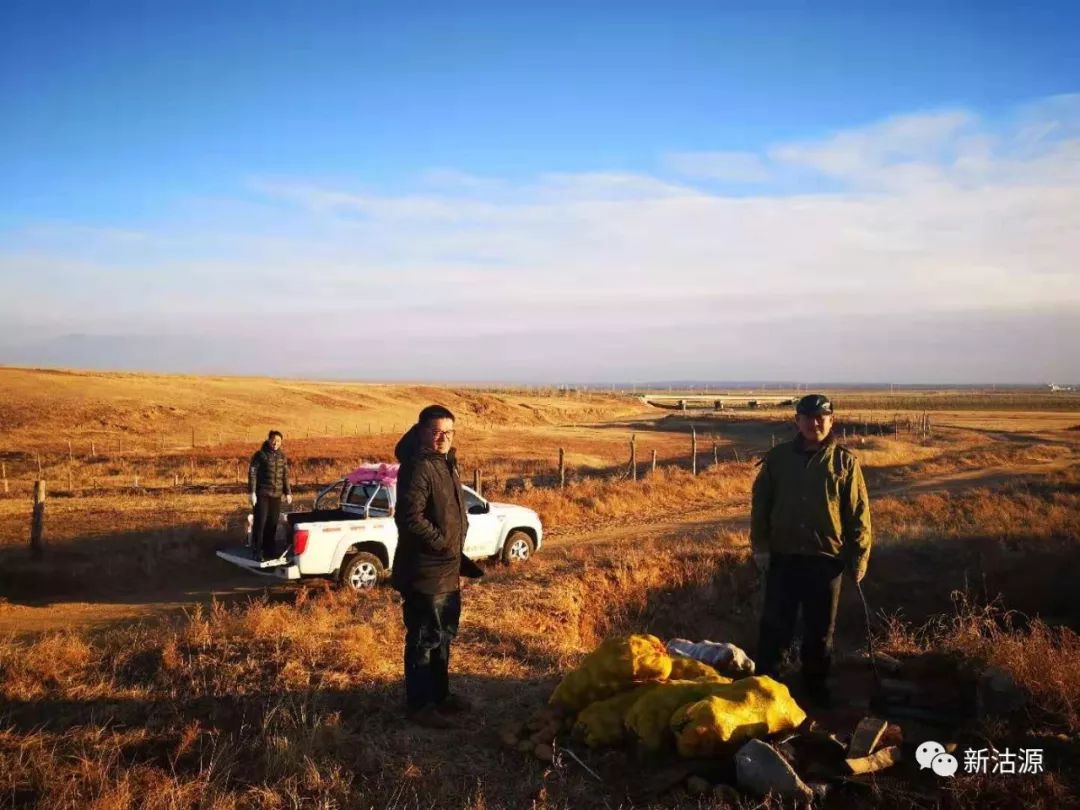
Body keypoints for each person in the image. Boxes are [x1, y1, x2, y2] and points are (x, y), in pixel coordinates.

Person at [750, 394, 872, 706]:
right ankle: (765, 689)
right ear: (797, 421)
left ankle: (814, 690)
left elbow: (858, 513)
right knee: (776, 626)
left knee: (819, 632)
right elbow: (760, 507)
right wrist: (761, 548)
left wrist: (859, 557)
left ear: (832, 421)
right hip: (784, 557)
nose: (814, 423)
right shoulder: (777, 459)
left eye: (821, 417)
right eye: (807, 417)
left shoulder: (845, 462)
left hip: (826, 561)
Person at [392, 405, 484, 729]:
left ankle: (440, 697)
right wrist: (444, 544)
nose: (443, 438)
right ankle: (420, 705)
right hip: (425, 571)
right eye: (436, 431)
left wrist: (456, 546)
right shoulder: (418, 467)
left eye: (449, 432)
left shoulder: (445, 464)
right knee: (423, 638)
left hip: (447, 570)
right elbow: (408, 519)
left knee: (443, 636)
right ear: (421, 432)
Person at [248, 430, 292, 561]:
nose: (275, 443)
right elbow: (252, 474)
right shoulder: (260, 455)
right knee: (260, 522)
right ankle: (257, 550)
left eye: (278, 441)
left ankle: (269, 550)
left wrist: (288, 492)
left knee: (272, 523)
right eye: (273, 440)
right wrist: (252, 492)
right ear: (268, 440)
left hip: (276, 495)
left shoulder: (282, 456)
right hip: (262, 494)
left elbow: (285, 475)